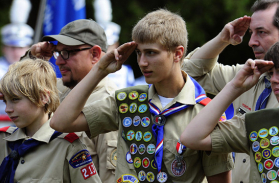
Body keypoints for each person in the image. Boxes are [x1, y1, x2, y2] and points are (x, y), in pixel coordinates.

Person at [49, 9, 233, 182]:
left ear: (177, 54)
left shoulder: (207, 114)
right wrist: (100, 70)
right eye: (138, 53)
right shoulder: (126, 101)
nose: (142, 62)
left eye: (151, 53)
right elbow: (61, 122)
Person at [181, 0, 279, 182]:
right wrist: (222, 40)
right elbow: (187, 73)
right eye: (251, 33)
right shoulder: (246, 76)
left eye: (261, 32)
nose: (250, 42)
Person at [22, 19, 118, 182]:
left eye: (67, 52)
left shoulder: (108, 103)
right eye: (58, 52)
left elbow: (109, 177)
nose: (58, 61)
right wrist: (32, 58)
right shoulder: (61, 88)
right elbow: (17, 92)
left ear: (95, 54)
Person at [0, 58, 101, 182]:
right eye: (5, 101)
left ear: (43, 97)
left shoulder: (67, 146)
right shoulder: (3, 140)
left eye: (15, 99)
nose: (7, 109)